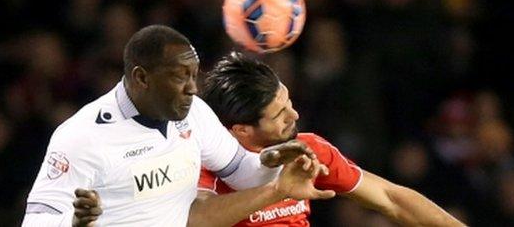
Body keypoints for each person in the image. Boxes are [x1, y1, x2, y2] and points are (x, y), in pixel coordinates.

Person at [21, 25, 334, 227]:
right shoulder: (82, 136)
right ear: (141, 78)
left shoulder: (193, 113)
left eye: (194, 74)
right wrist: (74, 223)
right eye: (179, 76)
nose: (193, 88)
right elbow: (37, 222)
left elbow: (239, 169)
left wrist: (274, 165)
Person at [188, 52, 466, 227]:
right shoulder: (203, 163)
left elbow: (391, 198)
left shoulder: (307, 150)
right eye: (279, 115)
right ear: (241, 130)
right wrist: (277, 191)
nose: (294, 115)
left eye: (289, 103)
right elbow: (196, 219)